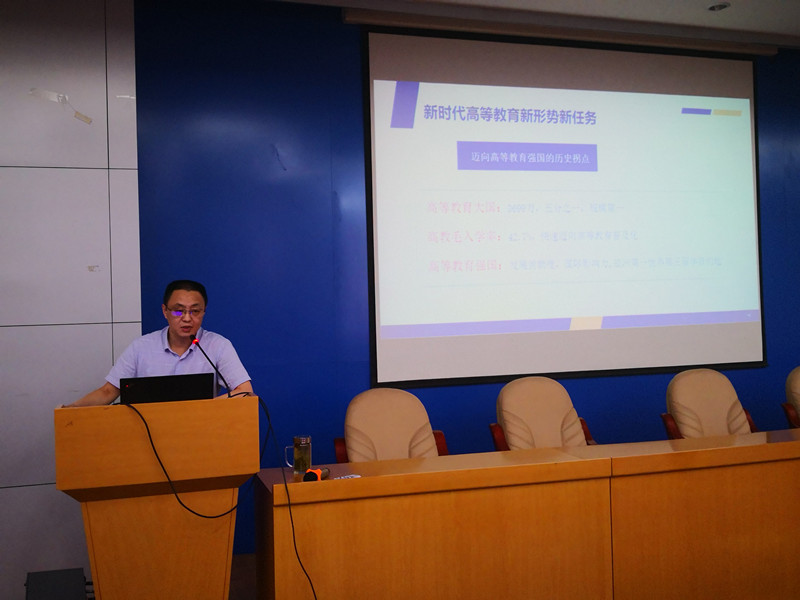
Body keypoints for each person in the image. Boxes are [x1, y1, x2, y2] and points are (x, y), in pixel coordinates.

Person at [63, 280, 253, 407]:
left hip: (201, 431)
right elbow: (108, 391)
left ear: (204, 312)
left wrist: (200, 408)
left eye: (195, 311)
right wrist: (70, 410)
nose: (187, 318)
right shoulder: (142, 347)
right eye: (178, 311)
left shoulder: (218, 346)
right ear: (165, 311)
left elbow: (245, 392)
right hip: (149, 435)